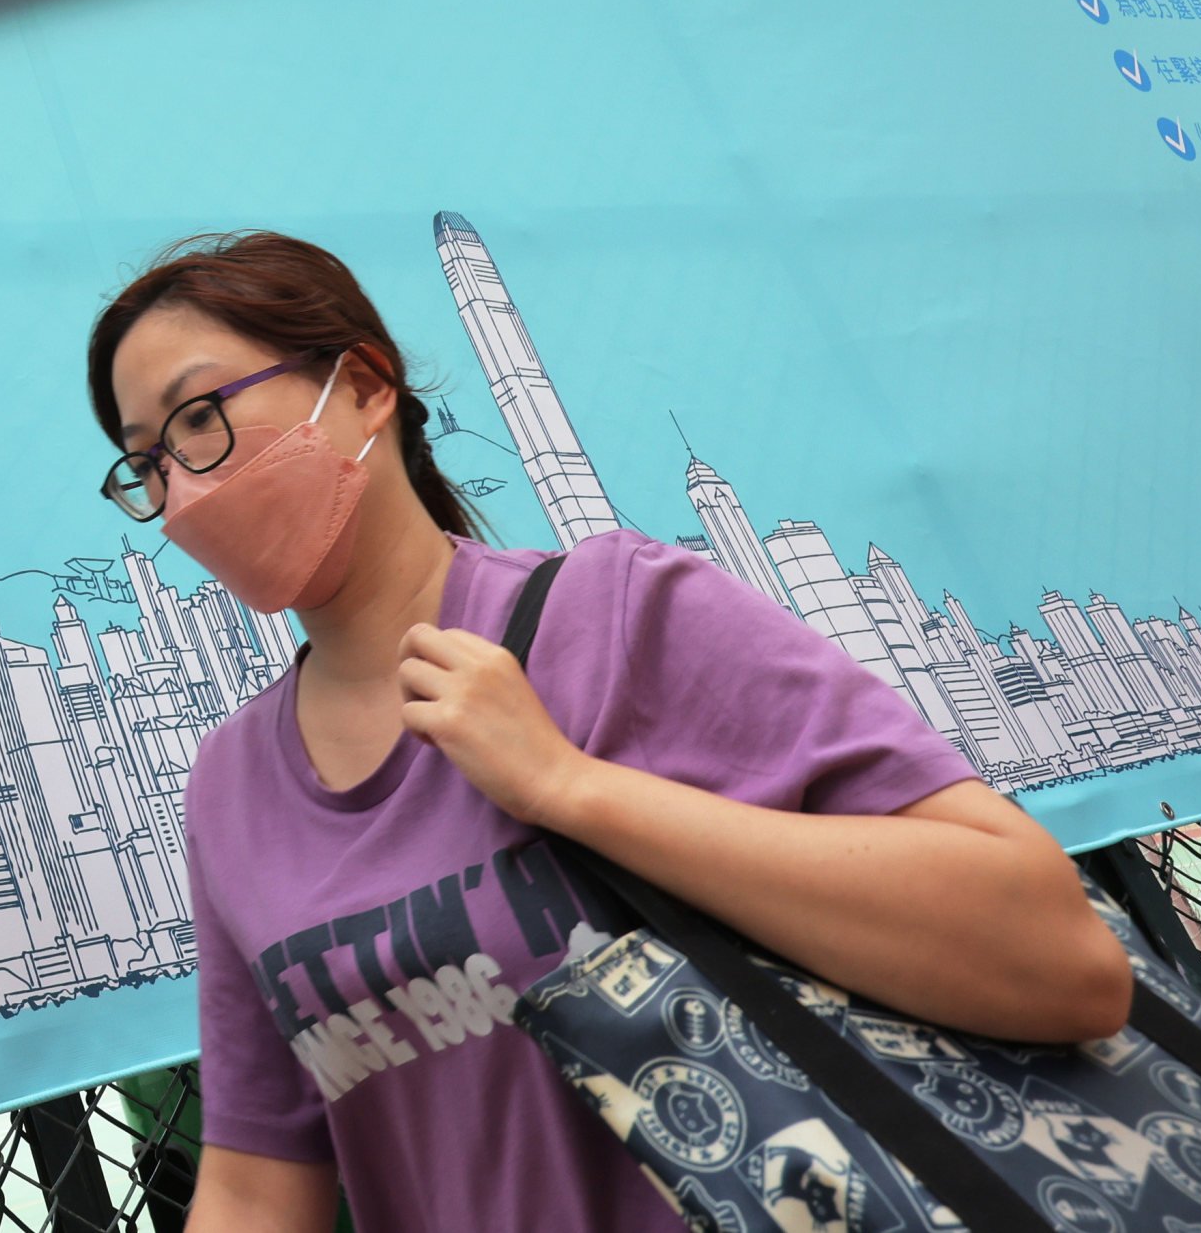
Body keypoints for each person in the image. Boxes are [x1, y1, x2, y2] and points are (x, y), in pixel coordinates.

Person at [90, 230, 1133, 1233]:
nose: (182, 489)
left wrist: (568, 787)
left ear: (364, 386)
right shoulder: (232, 786)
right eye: (145, 463)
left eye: (198, 419)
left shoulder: (622, 610)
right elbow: (258, 1184)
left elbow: (1059, 956)